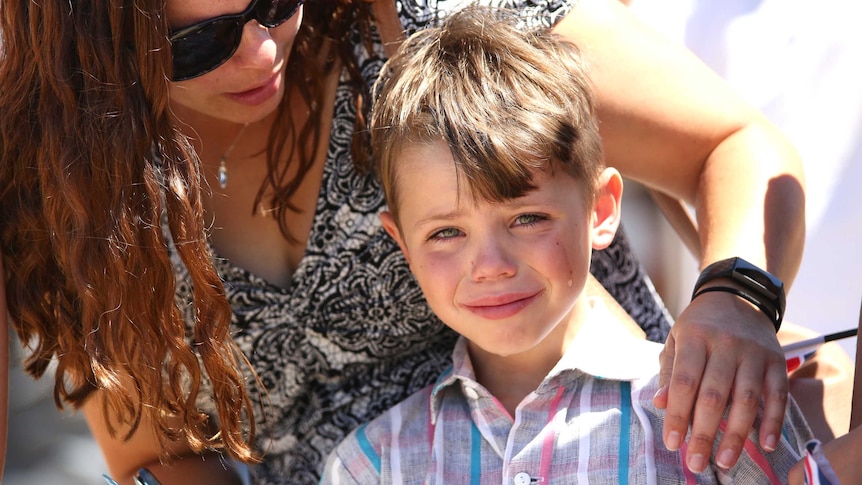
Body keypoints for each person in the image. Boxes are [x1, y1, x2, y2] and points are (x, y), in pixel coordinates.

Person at [0, 0, 805, 483]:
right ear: (98, 48)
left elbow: (732, 143)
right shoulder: (65, 186)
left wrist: (737, 299)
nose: (261, 49)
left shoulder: (439, 19)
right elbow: (162, 451)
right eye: (199, 44)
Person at [322, 8, 812, 482]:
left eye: (528, 218)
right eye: (446, 232)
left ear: (599, 211)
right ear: (403, 244)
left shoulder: (711, 416)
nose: (490, 266)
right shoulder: (370, 465)